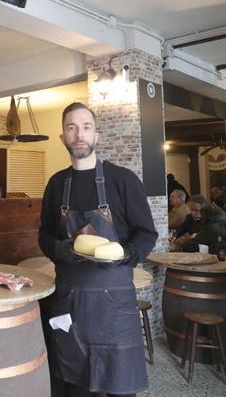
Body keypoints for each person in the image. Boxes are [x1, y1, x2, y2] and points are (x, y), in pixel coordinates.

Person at [38, 102, 157, 397]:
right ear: (62, 137)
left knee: (121, 389)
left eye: (86, 127)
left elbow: (146, 234)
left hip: (114, 305)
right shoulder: (56, 184)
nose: (79, 134)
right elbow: (43, 235)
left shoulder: (123, 180)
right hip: (69, 302)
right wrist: (58, 249)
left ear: (97, 136)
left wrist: (126, 254)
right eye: (71, 127)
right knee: (75, 389)